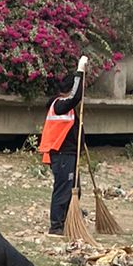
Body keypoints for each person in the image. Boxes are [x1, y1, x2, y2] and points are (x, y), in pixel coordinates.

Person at [39, 54, 89, 234]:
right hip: (62, 155)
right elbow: (75, 97)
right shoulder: (59, 105)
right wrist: (80, 72)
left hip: (70, 154)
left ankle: (70, 220)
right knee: (63, 190)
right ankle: (56, 226)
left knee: (75, 190)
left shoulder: (66, 107)